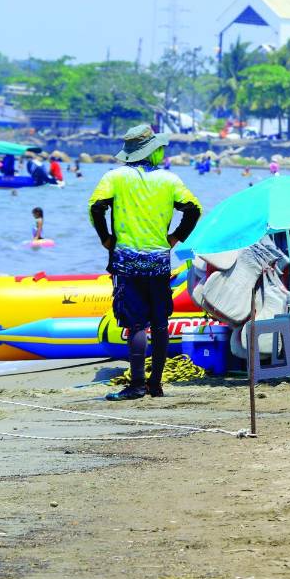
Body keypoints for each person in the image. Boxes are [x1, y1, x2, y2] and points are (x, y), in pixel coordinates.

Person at [89, 124, 202, 400]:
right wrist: (175, 237)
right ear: (153, 150)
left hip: (127, 262)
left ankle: (137, 384)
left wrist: (106, 238)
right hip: (159, 262)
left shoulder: (114, 177)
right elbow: (193, 209)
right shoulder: (169, 180)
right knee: (160, 322)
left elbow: (96, 207)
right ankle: (156, 385)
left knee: (137, 324)